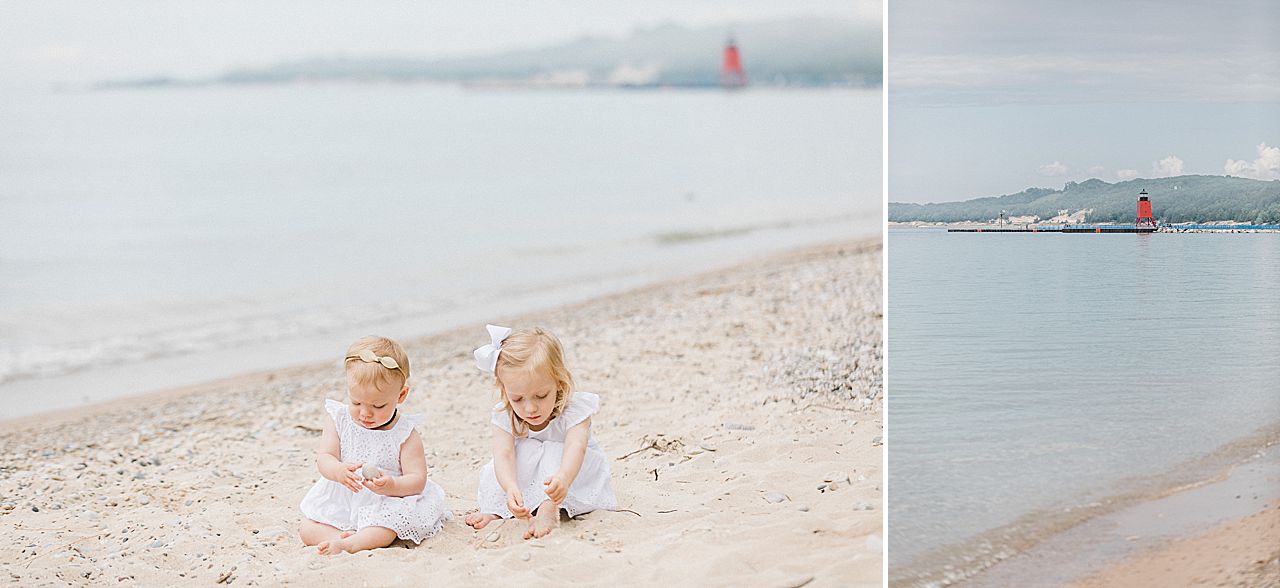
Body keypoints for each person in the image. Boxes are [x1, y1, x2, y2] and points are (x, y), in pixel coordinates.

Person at [299, 336, 450, 554]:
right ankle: (340, 538)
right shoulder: (338, 419)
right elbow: (324, 458)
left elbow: (417, 480)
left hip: (384, 500)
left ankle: (353, 543)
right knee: (307, 527)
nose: (365, 413)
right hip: (344, 498)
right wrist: (338, 471)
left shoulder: (404, 434)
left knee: (386, 528)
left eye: (378, 405)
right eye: (356, 402)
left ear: (401, 395)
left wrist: (391, 486)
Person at [464, 325, 616, 539]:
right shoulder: (504, 414)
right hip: (530, 471)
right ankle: (499, 511)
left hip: (571, 471)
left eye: (541, 395)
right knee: (500, 468)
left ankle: (548, 507)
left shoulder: (574, 409)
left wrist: (563, 478)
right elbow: (503, 454)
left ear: (559, 383)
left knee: (552, 451)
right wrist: (510, 487)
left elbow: (576, 447)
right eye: (517, 398)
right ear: (505, 390)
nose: (530, 408)